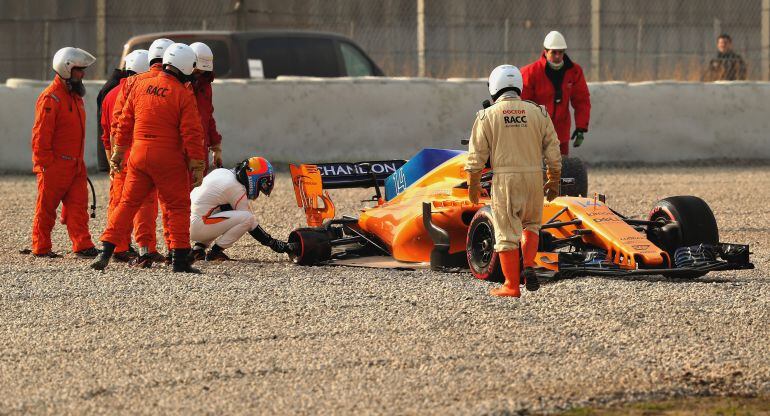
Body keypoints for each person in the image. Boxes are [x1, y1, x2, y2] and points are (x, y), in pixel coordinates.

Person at [92, 43, 207, 273]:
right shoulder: (182, 93)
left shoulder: (138, 84)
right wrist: (197, 164)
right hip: (168, 158)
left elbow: (124, 121)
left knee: (127, 204)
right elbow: (192, 133)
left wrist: (118, 151)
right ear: (185, 66)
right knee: (178, 206)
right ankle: (180, 260)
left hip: (138, 156)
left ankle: (105, 251)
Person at [465, 65, 562, 298]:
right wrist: (554, 178)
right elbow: (553, 149)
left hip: (506, 180)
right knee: (531, 225)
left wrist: (473, 183)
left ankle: (511, 285)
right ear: (518, 85)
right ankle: (528, 264)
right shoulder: (539, 113)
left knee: (506, 233)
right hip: (533, 177)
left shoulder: (486, 116)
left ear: (494, 87)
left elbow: (476, 155)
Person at [109, 38, 175, 266]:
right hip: (160, 154)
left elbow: (118, 122)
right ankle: (167, 251)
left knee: (125, 203)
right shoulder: (174, 86)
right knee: (165, 205)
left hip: (131, 153)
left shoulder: (129, 84)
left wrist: (116, 153)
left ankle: (114, 248)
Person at [30, 47, 99, 258]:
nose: (83, 74)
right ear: (67, 69)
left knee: (79, 207)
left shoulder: (74, 97)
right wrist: (45, 165)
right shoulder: (51, 98)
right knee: (46, 209)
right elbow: (41, 134)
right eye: (79, 70)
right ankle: (41, 247)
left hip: (76, 165)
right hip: (55, 165)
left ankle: (82, 245)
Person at [100, 49, 164, 263]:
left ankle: (118, 248)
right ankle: (146, 249)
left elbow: (107, 133)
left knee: (119, 204)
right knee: (145, 205)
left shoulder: (109, 94)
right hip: (137, 158)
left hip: (119, 159)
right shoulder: (143, 91)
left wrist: (111, 161)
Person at [189, 157, 295, 261]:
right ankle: (215, 253)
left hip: (186, 222)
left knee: (222, 208)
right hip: (196, 227)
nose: (258, 190)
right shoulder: (236, 188)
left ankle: (198, 249)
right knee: (247, 218)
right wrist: (274, 243)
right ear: (253, 177)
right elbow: (251, 224)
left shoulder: (222, 172)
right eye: (261, 184)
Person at [521, 31, 590, 156]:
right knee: (535, 169)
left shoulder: (574, 72)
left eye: (561, 52)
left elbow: (582, 100)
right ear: (546, 51)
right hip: (535, 132)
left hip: (561, 133)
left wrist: (581, 127)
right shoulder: (530, 73)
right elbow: (520, 103)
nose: (558, 56)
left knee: (560, 170)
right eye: (554, 52)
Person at [189, 42, 223, 172]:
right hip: (182, 150)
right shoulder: (180, 86)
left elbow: (208, 116)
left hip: (201, 149)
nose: (200, 73)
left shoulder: (206, 86)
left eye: (203, 71)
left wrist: (216, 147)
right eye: (197, 70)